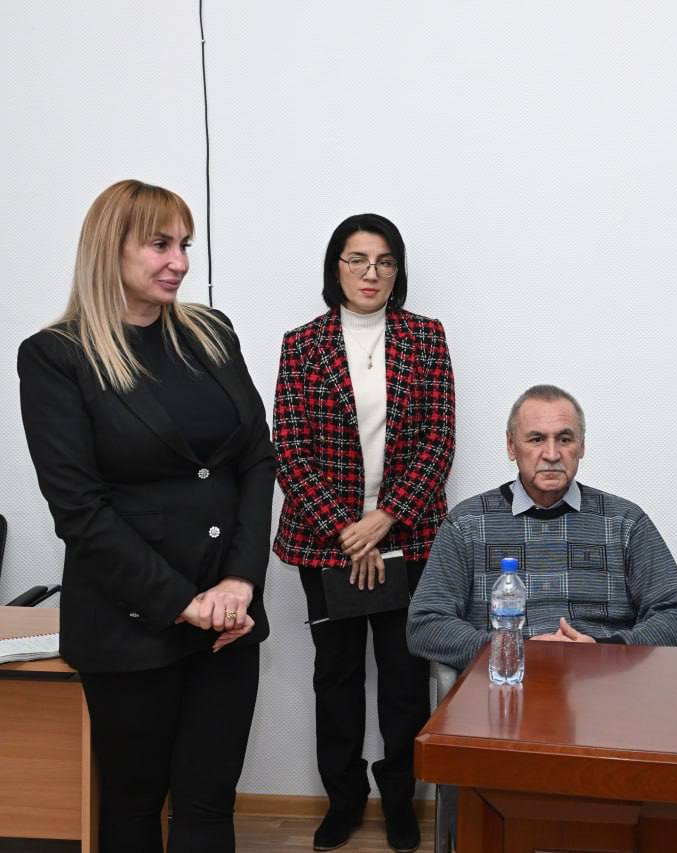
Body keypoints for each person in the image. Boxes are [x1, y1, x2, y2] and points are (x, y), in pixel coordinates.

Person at [17, 180, 273, 853]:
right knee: (133, 807)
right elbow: (80, 510)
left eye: (184, 244)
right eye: (161, 244)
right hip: (130, 623)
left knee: (208, 803)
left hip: (228, 618)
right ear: (112, 248)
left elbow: (256, 458)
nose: (179, 261)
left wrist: (240, 582)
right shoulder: (57, 356)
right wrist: (183, 602)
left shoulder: (211, 333)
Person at [273, 213, 454, 853]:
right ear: (336, 268)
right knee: (337, 678)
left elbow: (438, 441)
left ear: (397, 271)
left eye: (383, 261)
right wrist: (348, 531)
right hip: (325, 542)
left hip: (408, 535)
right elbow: (289, 448)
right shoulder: (302, 344)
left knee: (404, 679)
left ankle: (401, 801)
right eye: (357, 260)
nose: (370, 273)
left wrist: (383, 521)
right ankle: (344, 799)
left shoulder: (426, 338)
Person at [407, 384, 677, 673]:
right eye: (536, 439)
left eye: (564, 439)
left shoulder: (624, 522)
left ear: (581, 446)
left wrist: (604, 650)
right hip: (505, 684)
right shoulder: (467, 524)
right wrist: (514, 650)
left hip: (601, 683)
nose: (551, 453)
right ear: (511, 446)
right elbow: (425, 625)